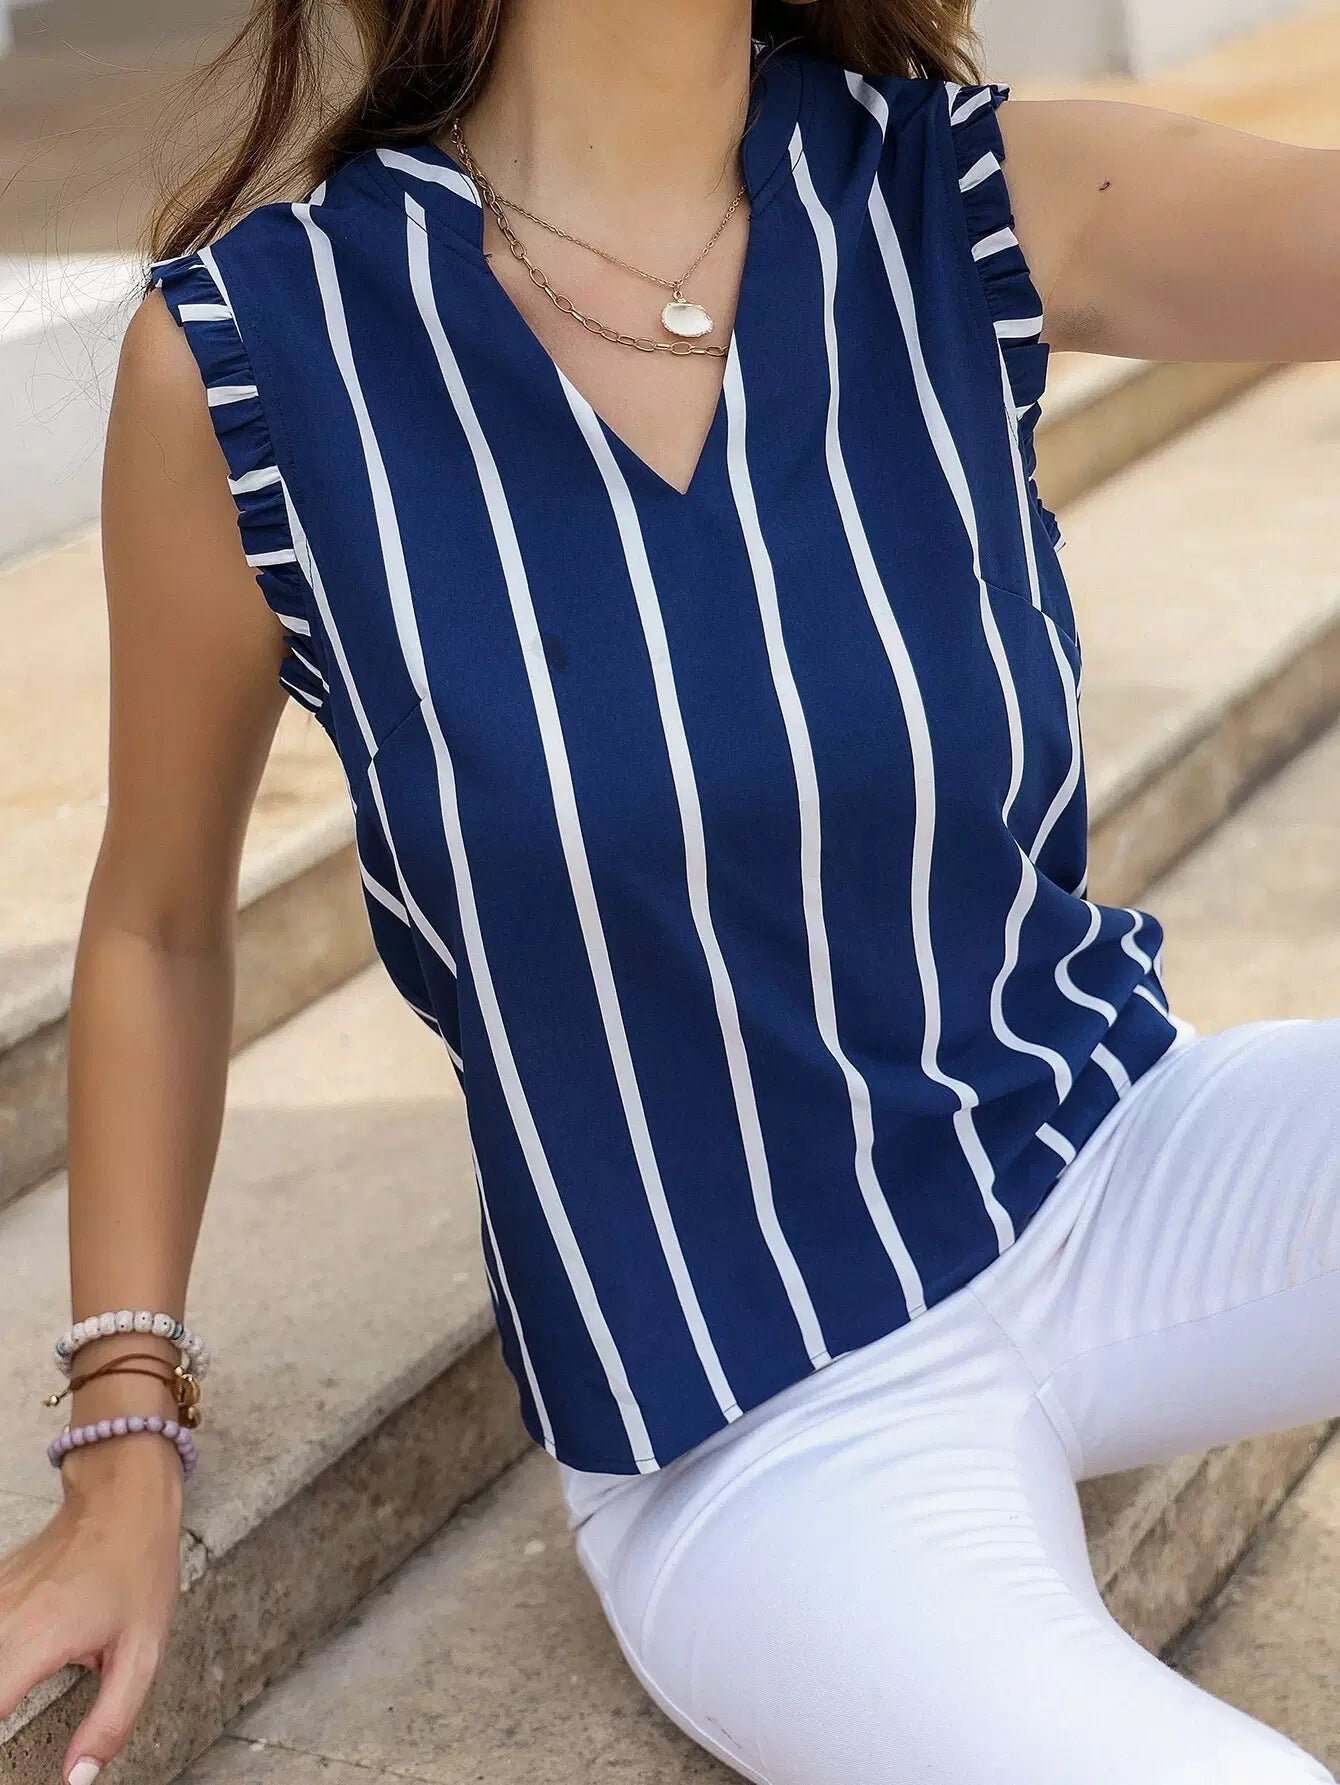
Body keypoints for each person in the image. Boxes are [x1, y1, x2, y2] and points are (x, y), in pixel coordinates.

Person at [2, 0, 1338, 1780]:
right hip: (759, 1411)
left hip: (1118, 1165)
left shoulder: (954, 195)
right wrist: (122, 1431)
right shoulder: (264, 352)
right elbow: (160, 921)